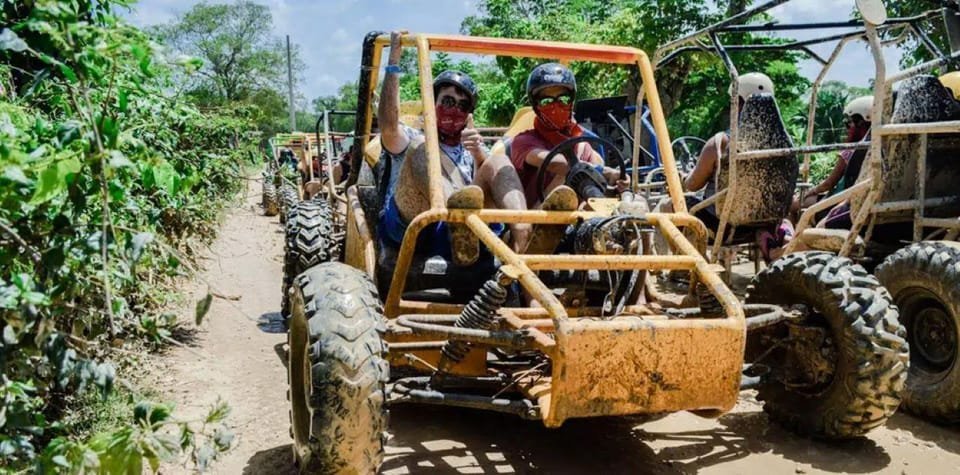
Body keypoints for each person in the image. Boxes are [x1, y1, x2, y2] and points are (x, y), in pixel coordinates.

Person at [377, 31, 530, 254]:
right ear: (432, 102)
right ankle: (459, 222)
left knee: (498, 161)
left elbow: (486, 187)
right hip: (414, 226)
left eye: (462, 105)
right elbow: (388, 127)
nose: (454, 109)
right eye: (447, 101)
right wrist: (394, 60)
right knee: (422, 145)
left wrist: (478, 154)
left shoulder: (472, 147)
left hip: (466, 234)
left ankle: (525, 237)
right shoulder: (410, 136)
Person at [655, 72, 792, 260]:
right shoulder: (784, 146)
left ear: (740, 103)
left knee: (667, 204)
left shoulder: (720, 143)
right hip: (767, 223)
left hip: (722, 226)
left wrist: (682, 177)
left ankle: (684, 264)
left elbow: (692, 185)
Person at [508, 63, 627, 209]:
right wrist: (605, 171)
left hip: (578, 216)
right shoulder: (524, 141)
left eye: (563, 99)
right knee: (568, 172)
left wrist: (618, 181)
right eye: (547, 101)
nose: (556, 106)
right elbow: (557, 164)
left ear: (571, 102)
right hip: (537, 218)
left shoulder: (583, 147)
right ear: (536, 106)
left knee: (635, 201)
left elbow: (600, 179)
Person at [791, 96, 873, 215]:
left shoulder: (850, 152)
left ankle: (787, 232)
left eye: (848, 124)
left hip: (839, 202)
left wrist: (811, 191)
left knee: (791, 205)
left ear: (860, 123)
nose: (847, 129)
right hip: (861, 202)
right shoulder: (879, 148)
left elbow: (828, 184)